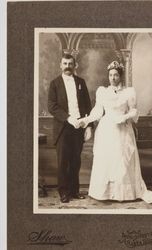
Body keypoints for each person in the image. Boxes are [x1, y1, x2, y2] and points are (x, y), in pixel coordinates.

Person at [79, 61, 152, 203]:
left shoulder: (129, 92)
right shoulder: (102, 91)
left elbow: (134, 110)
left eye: (115, 75)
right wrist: (86, 120)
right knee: (107, 159)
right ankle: (105, 193)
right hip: (106, 129)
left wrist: (125, 117)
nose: (113, 78)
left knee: (122, 158)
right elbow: (98, 110)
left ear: (120, 76)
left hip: (122, 129)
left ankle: (124, 193)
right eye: (110, 75)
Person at [48, 53, 92, 203]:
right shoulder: (54, 83)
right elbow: (52, 107)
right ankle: (63, 192)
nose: (67, 67)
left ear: (75, 65)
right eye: (65, 64)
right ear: (60, 65)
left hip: (79, 127)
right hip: (63, 128)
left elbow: (87, 105)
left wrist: (89, 126)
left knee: (76, 161)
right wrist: (68, 118)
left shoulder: (81, 82)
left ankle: (74, 191)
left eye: (70, 64)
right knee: (63, 162)